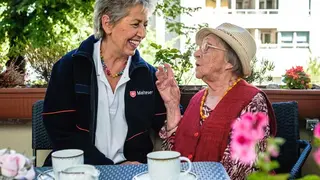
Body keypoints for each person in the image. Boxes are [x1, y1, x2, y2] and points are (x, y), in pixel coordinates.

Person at [42, 0, 177, 166]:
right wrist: (110, 168)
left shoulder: (148, 75)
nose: (142, 33)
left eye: (145, 25)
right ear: (107, 24)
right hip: (78, 170)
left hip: (131, 171)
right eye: (136, 24)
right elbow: (61, 133)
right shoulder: (69, 67)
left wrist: (172, 105)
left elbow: (168, 131)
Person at [156, 23, 277, 179]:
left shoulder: (253, 102)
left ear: (230, 63)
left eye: (207, 47)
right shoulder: (197, 99)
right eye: (200, 46)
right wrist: (172, 105)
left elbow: (239, 172)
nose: (197, 53)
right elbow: (172, 157)